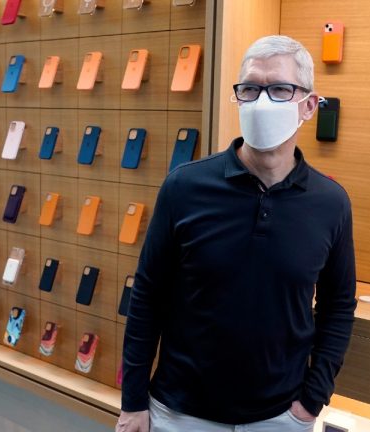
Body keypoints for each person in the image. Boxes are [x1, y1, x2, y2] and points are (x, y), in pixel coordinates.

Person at [116, 35, 357, 432]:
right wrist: (133, 403)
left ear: (309, 105)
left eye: (279, 89)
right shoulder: (185, 187)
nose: (262, 101)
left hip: (280, 417)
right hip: (179, 413)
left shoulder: (331, 203)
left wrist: (312, 401)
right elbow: (147, 297)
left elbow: (338, 305)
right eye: (250, 88)